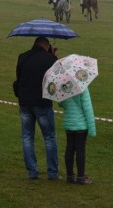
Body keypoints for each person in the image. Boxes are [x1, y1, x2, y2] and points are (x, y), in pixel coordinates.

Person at [15, 36, 60, 180]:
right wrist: (53, 58)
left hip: (25, 102)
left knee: (27, 137)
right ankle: (52, 172)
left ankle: (32, 171)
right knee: (49, 137)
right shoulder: (50, 59)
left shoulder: (22, 57)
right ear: (46, 46)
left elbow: (19, 78)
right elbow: (55, 81)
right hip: (43, 103)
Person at [58, 85, 96, 185]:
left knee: (69, 149)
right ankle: (81, 177)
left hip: (69, 124)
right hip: (81, 125)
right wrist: (92, 129)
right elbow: (88, 108)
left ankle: (70, 175)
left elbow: (61, 103)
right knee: (80, 150)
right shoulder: (83, 87)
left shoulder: (64, 87)